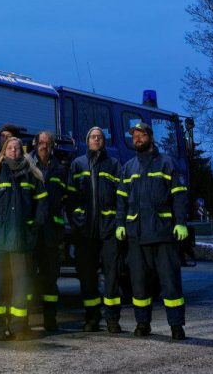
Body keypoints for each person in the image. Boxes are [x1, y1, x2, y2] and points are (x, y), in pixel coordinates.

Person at [116, 121, 190, 340]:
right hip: (136, 235)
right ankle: (142, 324)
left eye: (141, 135)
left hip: (163, 233)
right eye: (134, 136)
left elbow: (178, 195)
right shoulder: (128, 167)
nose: (137, 138)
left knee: (170, 283)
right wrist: (120, 223)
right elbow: (121, 200)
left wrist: (180, 222)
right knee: (138, 284)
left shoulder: (167, 163)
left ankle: (176, 326)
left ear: (150, 137)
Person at [0, 136, 48, 340]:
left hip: (21, 242)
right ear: (3, 151)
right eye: (10, 148)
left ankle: (18, 327)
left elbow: (42, 204)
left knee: (20, 287)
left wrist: (35, 225)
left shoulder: (32, 174)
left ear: (22, 151)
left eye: (17, 148)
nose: (14, 151)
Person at [67, 126, 124, 333]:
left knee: (112, 276)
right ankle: (91, 318)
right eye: (93, 136)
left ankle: (112, 320)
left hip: (108, 231)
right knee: (87, 277)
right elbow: (70, 198)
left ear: (104, 141)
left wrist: (118, 223)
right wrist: (76, 222)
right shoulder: (77, 164)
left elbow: (122, 197)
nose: (97, 139)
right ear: (87, 140)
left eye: (100, 137)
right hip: (85, 232)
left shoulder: (114, 165)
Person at [31, 130, 68, 331]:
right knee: (28, 278)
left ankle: (50, 320)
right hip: (33, 232)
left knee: (50, 279)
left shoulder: (60, 170)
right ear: (36, 144)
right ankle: (24, 323)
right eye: (41, 142)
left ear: (53, 146)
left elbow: (65, 199)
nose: (44, 146)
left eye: (48, 143)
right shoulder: (27, 166)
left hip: (52, 234)